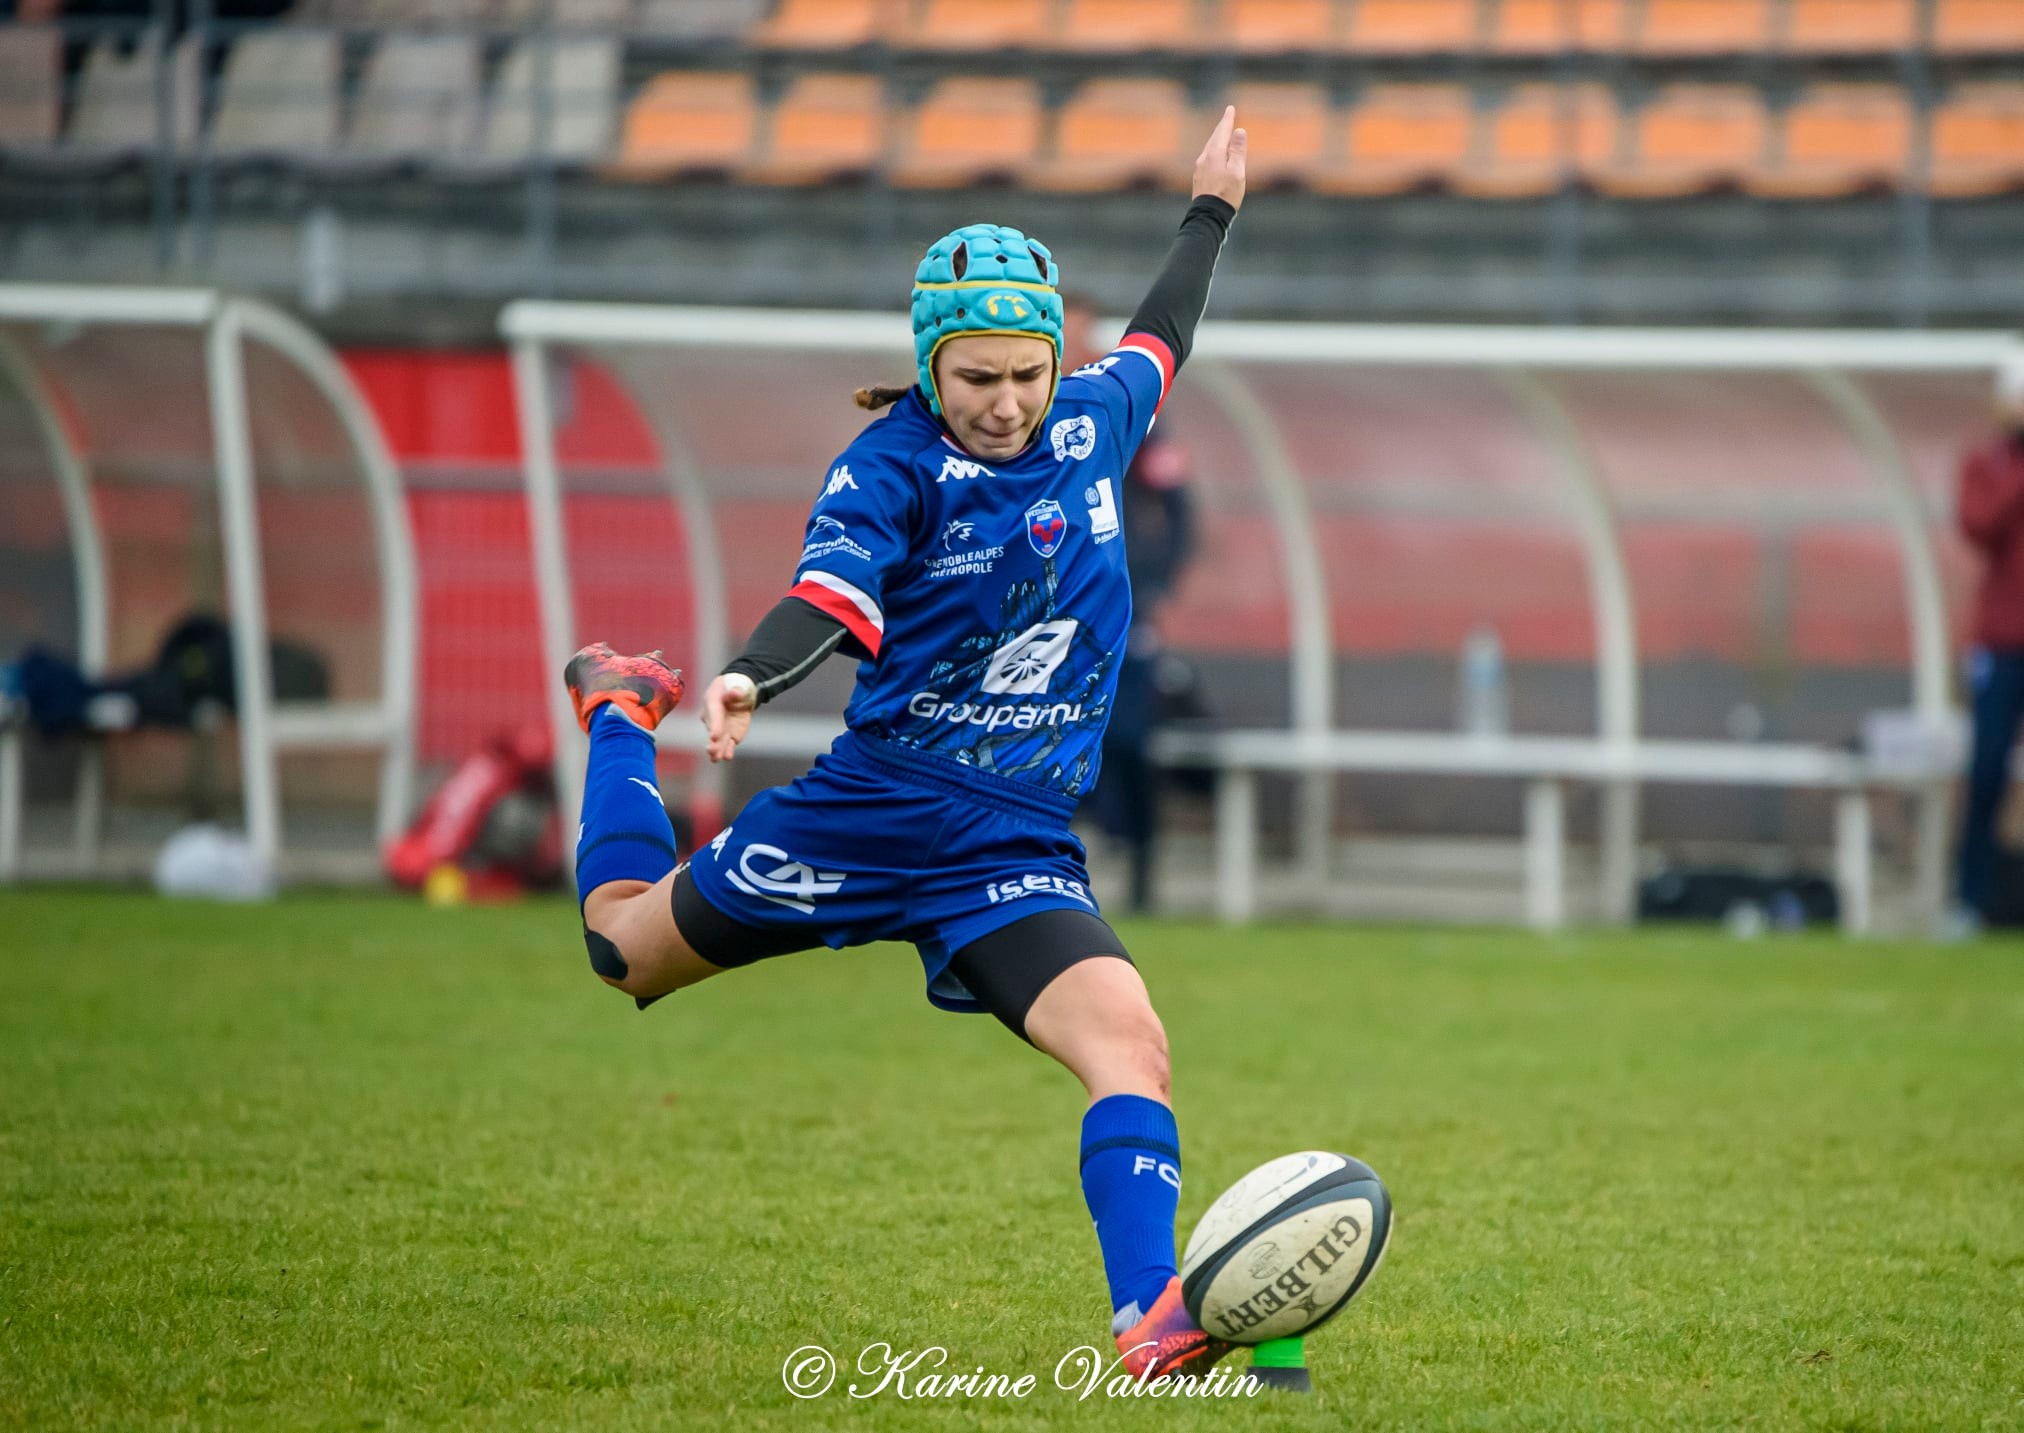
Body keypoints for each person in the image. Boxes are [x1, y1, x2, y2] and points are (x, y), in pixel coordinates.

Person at [558, 108, 1248, 1380]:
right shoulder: (888, 466)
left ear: (1052, 360)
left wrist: (1209, 211)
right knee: (623, 950)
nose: (1004, 402)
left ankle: (1150, 1321)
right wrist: (745, 675)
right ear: (931, 366)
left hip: (1010, 843)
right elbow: (829, 596)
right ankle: (615, 710)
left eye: (1024, 373)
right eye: (975, 377)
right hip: (870, 812)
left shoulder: (1096, 420)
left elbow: (1162, 334)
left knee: (1128, 1039)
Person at [1061, 294, 1199, 914]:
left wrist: (1158, 584)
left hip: (1122, 603)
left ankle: (1139, 866)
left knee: (1129, 736)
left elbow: (1177, 507)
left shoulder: (1130, 412)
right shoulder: (1007, 415)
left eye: (1083, 332)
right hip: (1041, 607)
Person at [1955, 353, 2024, 931]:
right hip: (2002, 641)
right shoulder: (1986, 464)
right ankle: (1970, 901)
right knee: (1985, 771)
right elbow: (1979, 526)